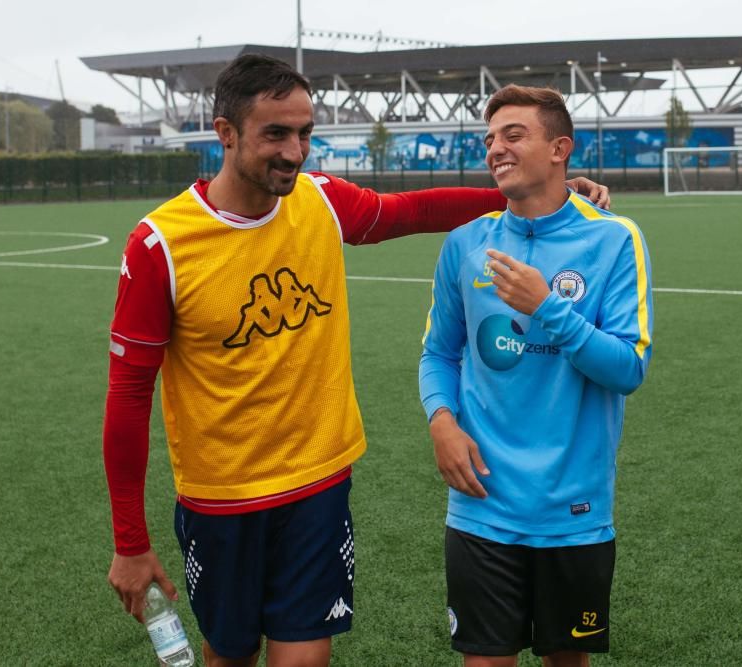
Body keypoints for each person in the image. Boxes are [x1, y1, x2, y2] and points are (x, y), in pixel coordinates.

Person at [104, 54, 609, 667]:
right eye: (276, 134)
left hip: (318, 483)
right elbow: (129, 398)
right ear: (225, 133)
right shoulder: (159, 246)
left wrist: (532, 193)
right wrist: (130, 542)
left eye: (305, 133)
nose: (296, 151)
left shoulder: (321, 200)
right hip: (222, 500)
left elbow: (412, 211)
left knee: (306, 660)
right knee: (229, 655)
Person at [419, 84, 654, 667]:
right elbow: (438, 354)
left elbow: (627, 369)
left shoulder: (614, 238)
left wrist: (547, 306)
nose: (496, 148)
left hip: (573, 511)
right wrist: (441, 421)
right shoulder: (465, 244)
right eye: (490, 138)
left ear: (560, 149)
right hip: (482, 502)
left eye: (514, 135)